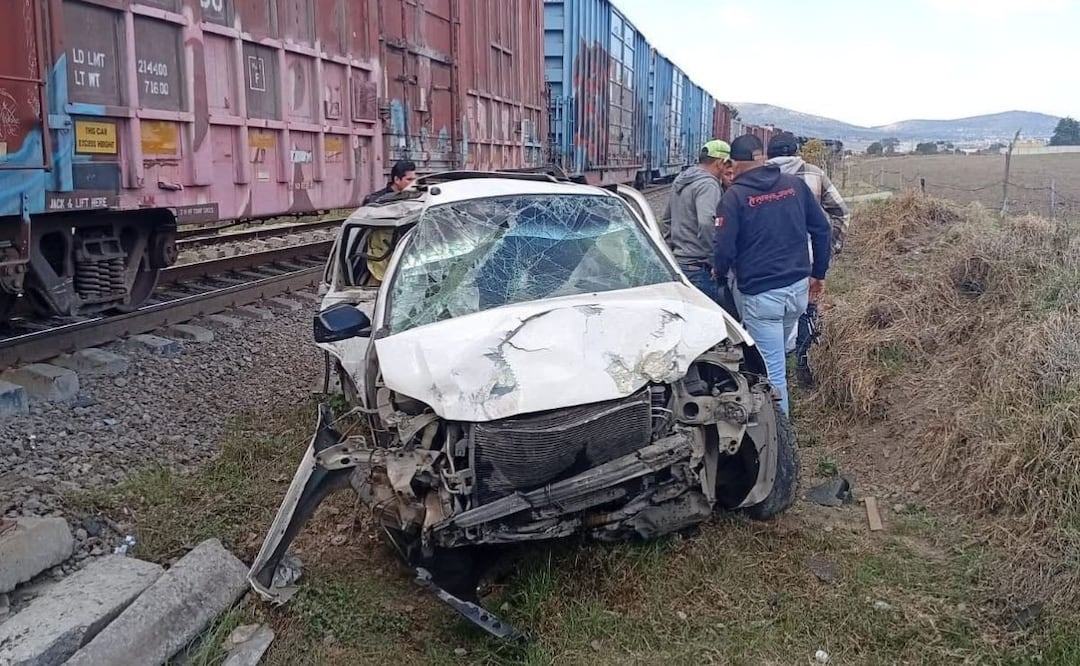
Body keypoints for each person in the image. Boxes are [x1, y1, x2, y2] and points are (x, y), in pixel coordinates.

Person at [713, 134, 832, 415]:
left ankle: (780, 435)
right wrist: (818, 273)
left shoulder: (734, 197)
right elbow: (822, 229)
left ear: (734, 163)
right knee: (776, 353)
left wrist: (719, 277)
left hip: (762, 295)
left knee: (772, 373)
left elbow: (724, 249)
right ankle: (776, 419)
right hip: (797, 290)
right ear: (762, 158)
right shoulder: (794, 186)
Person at [766, 132, 850, 386]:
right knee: (807, 310)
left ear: (769, 153)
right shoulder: (814, 174)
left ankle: (768, 371)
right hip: (808, 261)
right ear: (796, 151)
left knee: (768, 317)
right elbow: (841, 212)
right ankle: (802, 365)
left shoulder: (756, 176)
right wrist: (829, 250)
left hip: (765, 262)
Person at [658, 140, 737, 312]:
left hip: (680, 262)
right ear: (719, 163)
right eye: (727, 164)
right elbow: (707, 223)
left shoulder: (681, 180)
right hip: (699, 266)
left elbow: (666, 221)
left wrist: (672, 249)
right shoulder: (708, 184)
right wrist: (715, 260)